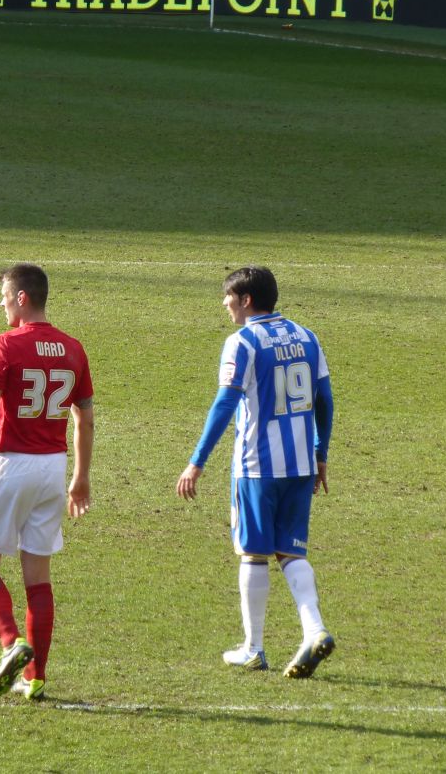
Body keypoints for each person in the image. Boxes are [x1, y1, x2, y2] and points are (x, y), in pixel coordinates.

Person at [176, 266, 335, 679]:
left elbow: (225, 405)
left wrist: (197, 460)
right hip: (301, 464)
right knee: (292, 551)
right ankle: (314, 629)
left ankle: (254, 647)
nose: (225, 304)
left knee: (252, 551)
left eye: (229, 297)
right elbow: (325, 399)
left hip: (257, 467)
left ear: (247, 300)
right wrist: (321, 453)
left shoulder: (242, 341)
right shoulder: (307, 337)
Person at [0, 264, 94, 702]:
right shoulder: (73, 348)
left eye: (6, 297)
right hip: (52, 469)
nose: (2, 304)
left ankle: (11, 643)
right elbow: (84, 418)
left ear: (23, 298)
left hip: (9, 464)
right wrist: (81, 478)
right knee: (38, 576)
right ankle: (37, 678)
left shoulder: (6, 344)